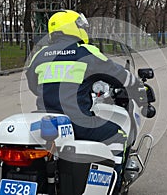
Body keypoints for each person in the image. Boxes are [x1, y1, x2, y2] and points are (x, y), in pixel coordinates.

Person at [26, 10, 140, 191]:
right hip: (77, 121)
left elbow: (33, 85)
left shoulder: (39, 55)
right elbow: (119, 76)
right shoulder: (86, 52)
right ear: (72, 28)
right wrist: (138, 86)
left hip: (46, 121)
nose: (83, 29)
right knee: (118, 136)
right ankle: (116, 186)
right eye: (81, 26)